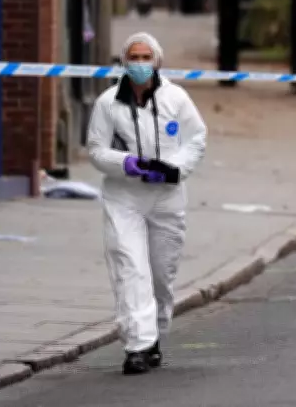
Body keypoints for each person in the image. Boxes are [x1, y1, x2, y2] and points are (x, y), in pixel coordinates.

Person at [86, 32, 207, 374]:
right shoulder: (108, 103)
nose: (139, 64)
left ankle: (154, 334)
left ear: (157, 61)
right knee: (129, 268)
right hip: (123, 196)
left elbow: (196, 139)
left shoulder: (177, 99)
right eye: (133, 57)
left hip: (166, 196)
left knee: (160, 274)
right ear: (124, 62)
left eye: (145, 57)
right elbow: (95, 149)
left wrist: (173, 171)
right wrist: (123, 162)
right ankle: (137, 345)